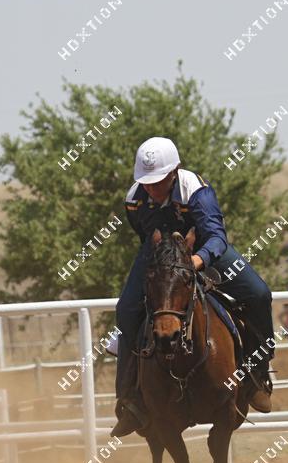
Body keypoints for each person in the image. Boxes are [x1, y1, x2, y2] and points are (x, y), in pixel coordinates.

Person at [112, 137, 275, 437]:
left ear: (174, 172)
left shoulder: (197, 191)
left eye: (158, 180)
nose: (151, 188)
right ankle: (130, 398)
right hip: (160, 256)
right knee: (125, 311)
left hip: (205, 251)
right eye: (147, 182)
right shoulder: (134, 199)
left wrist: (195, 262)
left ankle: (257, 374)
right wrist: (165, 266)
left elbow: (216, 237)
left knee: (259, 294)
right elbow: (144, 236)